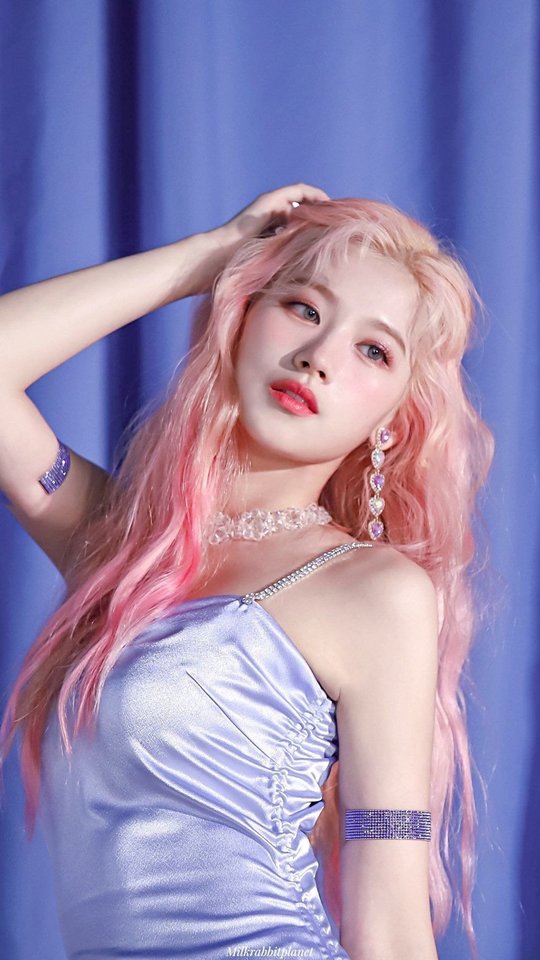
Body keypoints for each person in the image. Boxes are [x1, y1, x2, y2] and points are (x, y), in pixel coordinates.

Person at [0, 183, 494, 960]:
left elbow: (391, 922)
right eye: (302, 307)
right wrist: (211, 257)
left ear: (394, 421)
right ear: (240, 318)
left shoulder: (376, 593)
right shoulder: (118, 549)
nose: (318, 358)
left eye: (374, 350)